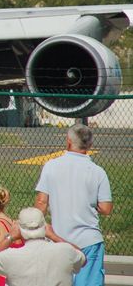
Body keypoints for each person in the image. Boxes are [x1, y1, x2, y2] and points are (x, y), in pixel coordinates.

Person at [35, 123, 112, 286]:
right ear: (90, 145)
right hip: (89, 240)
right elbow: (106, 208)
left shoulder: (51, 166)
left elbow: (41, 203)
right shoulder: (98, 171)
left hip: (58, 239)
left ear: (68, 141)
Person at [0, 207, 86, 286]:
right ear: (45, 226)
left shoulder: (10, 256)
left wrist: (10, 237)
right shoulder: (65, 251)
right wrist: (53, 236)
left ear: (19, 230)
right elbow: (83, 258)